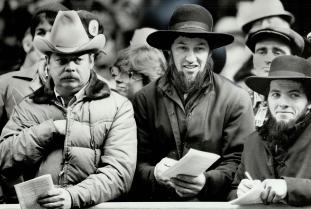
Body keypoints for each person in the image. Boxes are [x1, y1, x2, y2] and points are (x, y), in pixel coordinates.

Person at [0, 10, 137, 209]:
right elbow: (3, 159)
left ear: (91, 62)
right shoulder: (29, 105)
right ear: (48, 63)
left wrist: (72, 197)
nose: (70, 67)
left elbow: (119, 173)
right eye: (61, 60)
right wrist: (50, 129)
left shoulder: (118, 106)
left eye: (78, 59)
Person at [132, 4, 255, 201]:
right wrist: (154, 173)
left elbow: (241, 161)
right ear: (170, 51)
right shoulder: (144, 99)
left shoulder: (236, 99)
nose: (191, 58)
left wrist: (206, 181)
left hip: (214, 205)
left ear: (209, 53)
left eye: (199, 48)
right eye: (182, 47)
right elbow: (134, 162)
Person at [0, 2, 68, 203]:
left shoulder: (90, 87)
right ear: (30, 40)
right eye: (41, 32)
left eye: (55, 31)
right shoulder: (6, 84)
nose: (47, 39)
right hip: (15, 201)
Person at [228, 55, 311, 206]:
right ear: (267, 99)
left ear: (309, 101)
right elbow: (232, 192)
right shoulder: (253, 141)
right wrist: (239, 192)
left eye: (294, 95)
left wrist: (288, 187)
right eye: (276, 94)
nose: (283, 103)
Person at [243, 26, 304, 127]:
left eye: (277, 52)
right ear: (253, 59)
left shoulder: (303, 106)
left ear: (294, 59)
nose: (269, 59)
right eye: (261, 52)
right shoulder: (239, 101)